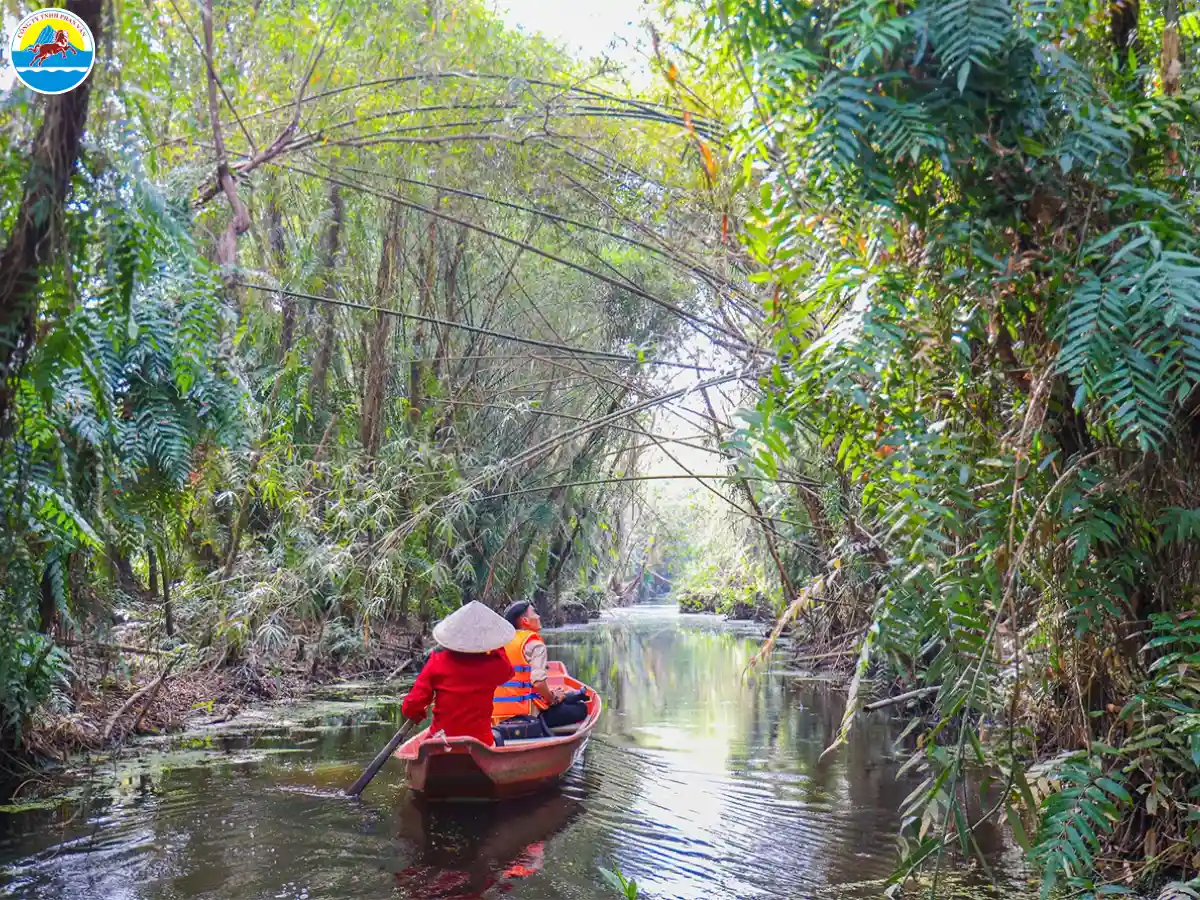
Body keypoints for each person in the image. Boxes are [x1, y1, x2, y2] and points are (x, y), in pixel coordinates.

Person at [401, 601, 516, 746]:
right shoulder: (493, 665)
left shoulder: (437, 661)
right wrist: (495, 645)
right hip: (481, 744)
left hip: (441, 742)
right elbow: (508, 672)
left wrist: (417, 715)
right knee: (497, 739)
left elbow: (411, 706)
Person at [492, 600, 589, 730]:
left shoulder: (497, 643)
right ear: (525, 620)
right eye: (534, 612)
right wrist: (552, 698)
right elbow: (538, 683)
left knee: (564, 698)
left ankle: (563, 697)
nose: (538, 616)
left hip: (495, 716)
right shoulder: (535, 645)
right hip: (527, 715)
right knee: (581, 708)